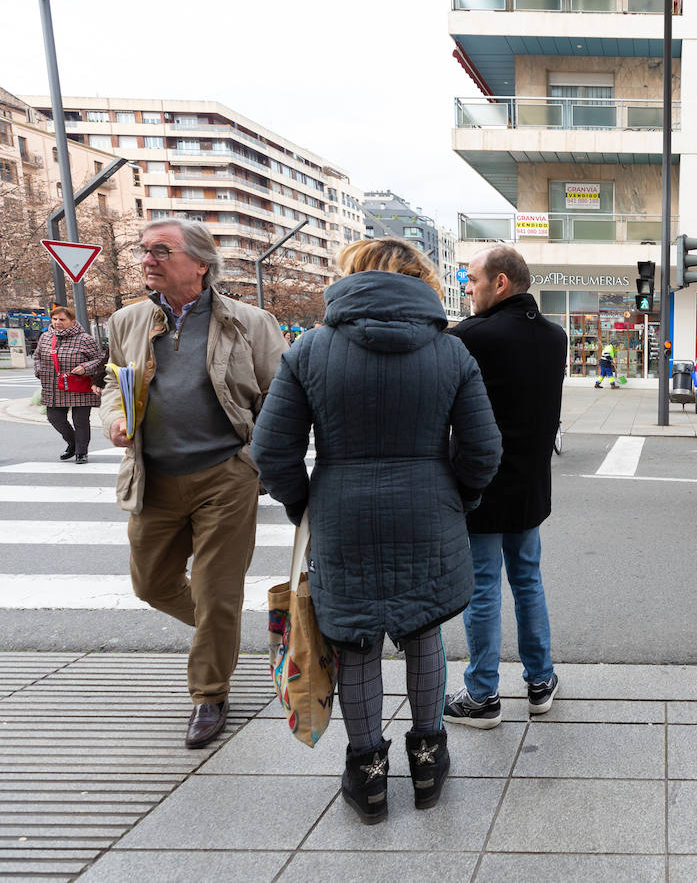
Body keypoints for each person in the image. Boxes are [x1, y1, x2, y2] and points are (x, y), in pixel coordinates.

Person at [253, 238, 500, 823]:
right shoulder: (450, 352)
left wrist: (304, 505)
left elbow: (271, 451)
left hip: (342, 516)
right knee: (424, 630)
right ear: (423, 280)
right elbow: (484, 450)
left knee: (355, 641)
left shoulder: (310, 349)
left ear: (352, 276)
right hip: (429, 511)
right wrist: (461, 497)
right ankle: (429, 759)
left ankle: (367, 776)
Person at [100, 218, 285, 749]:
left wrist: (254, 461)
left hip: (225, 476)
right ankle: (219, 634)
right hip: (153, 474)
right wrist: (116, 417)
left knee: (215, 589)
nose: (146, 259)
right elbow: (117, 382)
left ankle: (209, 692)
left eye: (161, 250)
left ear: (201, 264)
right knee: (152, 584)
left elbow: (278, 398)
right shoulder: (126, 320)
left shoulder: (251, 322)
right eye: (143, 250)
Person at [444, 245, 566, 729]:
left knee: (482, 589)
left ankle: (481, 695)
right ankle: (540, 682)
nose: (465, 287)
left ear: (500, 283)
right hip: (530, 487)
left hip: (480, 486)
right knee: (528, 581)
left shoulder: (469, 337)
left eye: (471, 279)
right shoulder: (555, 337)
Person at [33, 306, 102, 463]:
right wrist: (39, 371)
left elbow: (99, 359)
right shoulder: (46, 337)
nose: (57, 322)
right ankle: (72, 443)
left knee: (81, 421)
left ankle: (81, 452)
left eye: (62, 319)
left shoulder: (85, 339)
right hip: (53, 386)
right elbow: (37, 357)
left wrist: (85, 368)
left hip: (78, 385)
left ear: (72, 321)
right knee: (54, 418)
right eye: (55, 319)